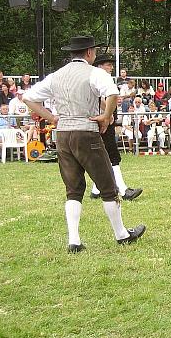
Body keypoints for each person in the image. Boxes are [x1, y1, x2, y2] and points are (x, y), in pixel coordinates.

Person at [23, 36, 145, 252]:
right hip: (86, 132)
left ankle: (74, 240)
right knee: (108, 186)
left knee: (73, 189)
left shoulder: (56, 76)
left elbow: (28, 97)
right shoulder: (95, 73)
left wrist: (51, 118)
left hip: (62, 134)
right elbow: (113, 93)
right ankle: (121, 234)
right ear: (89, 53)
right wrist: (106, 116)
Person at [89, 54, 143, 200]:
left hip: (103, 119)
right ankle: (124, 190)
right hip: (103, 120)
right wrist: (108, 113)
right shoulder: (98, 77)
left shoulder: (95, 77)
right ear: (100, 65)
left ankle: (96, 190)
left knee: (104, 155)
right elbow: (98, 97)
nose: (111, 67)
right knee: (112, 155)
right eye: (109, 64)